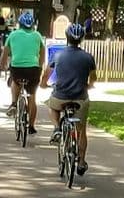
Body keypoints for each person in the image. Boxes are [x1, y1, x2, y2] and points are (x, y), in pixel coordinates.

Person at [40, 23, 96, 175]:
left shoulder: (57, 55)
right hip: (80, 98)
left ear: (67, 38)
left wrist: (43, 84)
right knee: (82, 130)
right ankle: (82, 161)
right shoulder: (88, 57)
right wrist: (88, 85)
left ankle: (57, 127)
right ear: (82, 39)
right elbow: (93, 79)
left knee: (52, 106)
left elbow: (46, 74)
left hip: (61, 96)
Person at [3, 12, 45, 134]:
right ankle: (31, 126)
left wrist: (2, 65)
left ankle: (14, 103)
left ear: (20, 24)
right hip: (33, 68)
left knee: (15, 81)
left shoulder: (13, 34)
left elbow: (5, 52)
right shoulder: (37, 35)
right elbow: (42, 52)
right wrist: (40, 66)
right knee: (32, 96)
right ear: (32, 25)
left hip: (17, 67)